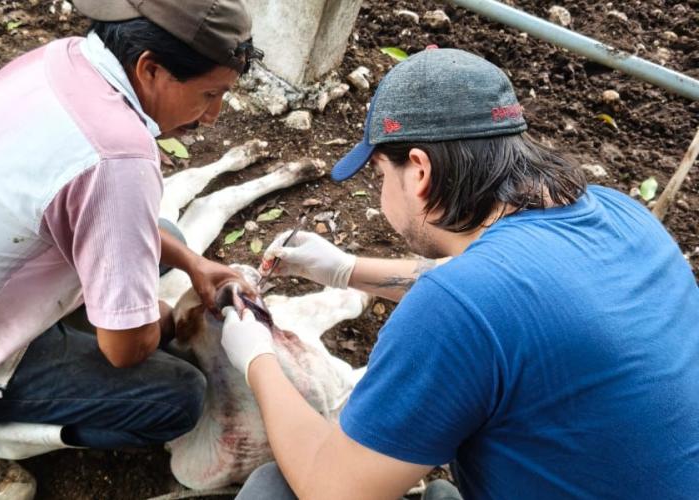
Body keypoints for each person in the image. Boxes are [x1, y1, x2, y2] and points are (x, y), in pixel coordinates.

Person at [220, 48, 699, 499]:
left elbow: (333, 489)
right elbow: (509, 301)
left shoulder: (458, 307)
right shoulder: (619, 212)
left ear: (420, 171)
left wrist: (257, 359)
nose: (383, 188)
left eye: (382, 174)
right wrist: (346, 271)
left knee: (274, 489)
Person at [0, 0, 261, 455]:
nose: (213, 114)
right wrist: (160, 323)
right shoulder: (117, 158)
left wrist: (192, 263)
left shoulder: (63, 59)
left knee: (171, 238)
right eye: (210, 95)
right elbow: (125, 351)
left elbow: (102, 212)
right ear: (150, 68)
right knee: (179, 397)